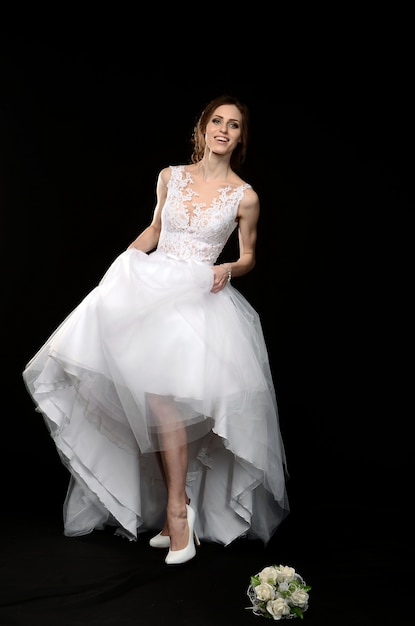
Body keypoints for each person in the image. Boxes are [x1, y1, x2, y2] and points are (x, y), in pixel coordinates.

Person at [23, 94, 289, 565]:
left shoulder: (244, 195)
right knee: (155, 401)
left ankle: (178, 514)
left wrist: (230, 267)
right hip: (155, 289)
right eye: (217, 121)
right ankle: (175, 511)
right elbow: (155, 230)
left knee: (169, 402)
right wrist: (124, 264)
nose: (224, 130)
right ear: (204, 128)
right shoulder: (171, 177)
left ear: (241, 137)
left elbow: (249, 255)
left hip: (201, 299)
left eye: (234, 125)